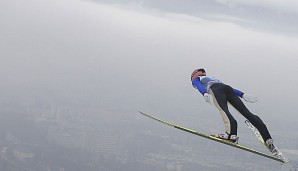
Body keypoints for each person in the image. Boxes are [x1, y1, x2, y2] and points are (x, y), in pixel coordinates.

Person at [191, 68, 279, 156]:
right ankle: (268, 139)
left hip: (216, 90)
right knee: (247, 113)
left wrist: (204, 93)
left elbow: (198, 85)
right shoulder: (212, 78)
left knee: (224, 111)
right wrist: (242, 94)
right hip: (227, 88)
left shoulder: (196, 79)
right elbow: (227, 87)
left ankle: (230, 134)